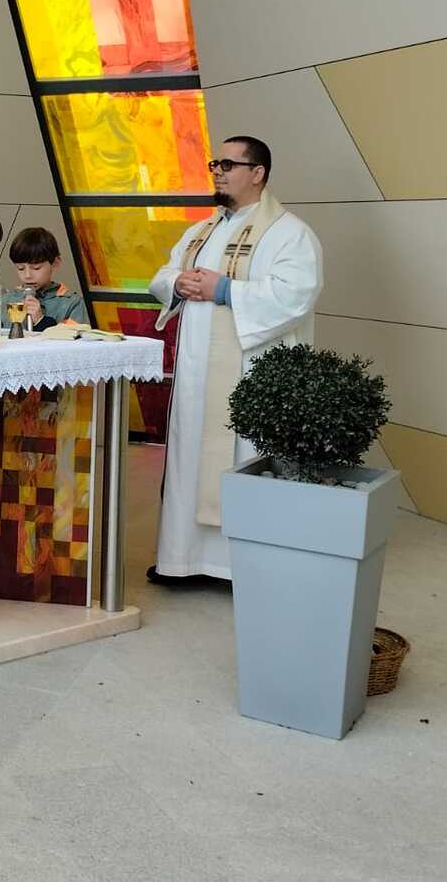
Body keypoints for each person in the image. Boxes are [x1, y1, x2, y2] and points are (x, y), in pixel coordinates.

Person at [147, 136, 323, 584]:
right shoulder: (201, 231)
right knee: (191, 460)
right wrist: (178, 283)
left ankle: (238, 568)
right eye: (215, 164)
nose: (217, 172)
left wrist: (225, 290)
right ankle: (183, 560)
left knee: (242, 457)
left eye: (228, 164)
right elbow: (163, 273)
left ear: (258, 173)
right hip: (196, 374)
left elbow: (295, 296)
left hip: (249, 374)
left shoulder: (289, 233)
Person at [7, 226, 90, 330]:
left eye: (36, 268)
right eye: (21, 268)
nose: (27, 275)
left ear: (55, 263)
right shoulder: (6, 300)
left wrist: (41, 320)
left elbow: (73, 338)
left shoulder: (72, 303)